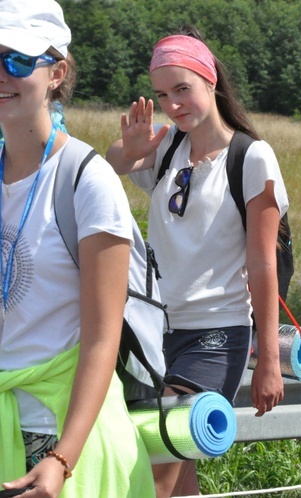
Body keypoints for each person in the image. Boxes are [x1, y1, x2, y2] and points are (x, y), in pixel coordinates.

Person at [106, 26, 287, 498]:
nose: (172, 105)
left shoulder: (252, 157)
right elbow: (106, 171)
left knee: (153, 465)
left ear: (211, 81)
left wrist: (267, 358)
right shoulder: (167, 147)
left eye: (182, 89)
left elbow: (263, 265)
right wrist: (130, 151)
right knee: (176, 470)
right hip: (154, 331)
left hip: (217, 334)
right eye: (162, 94)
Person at [0, 1, 155, 497]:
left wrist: (62, 457)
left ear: (56, 73)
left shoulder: (86, 181)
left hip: (59, 437)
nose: (0, 74)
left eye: (17, 60)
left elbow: (101, 339)